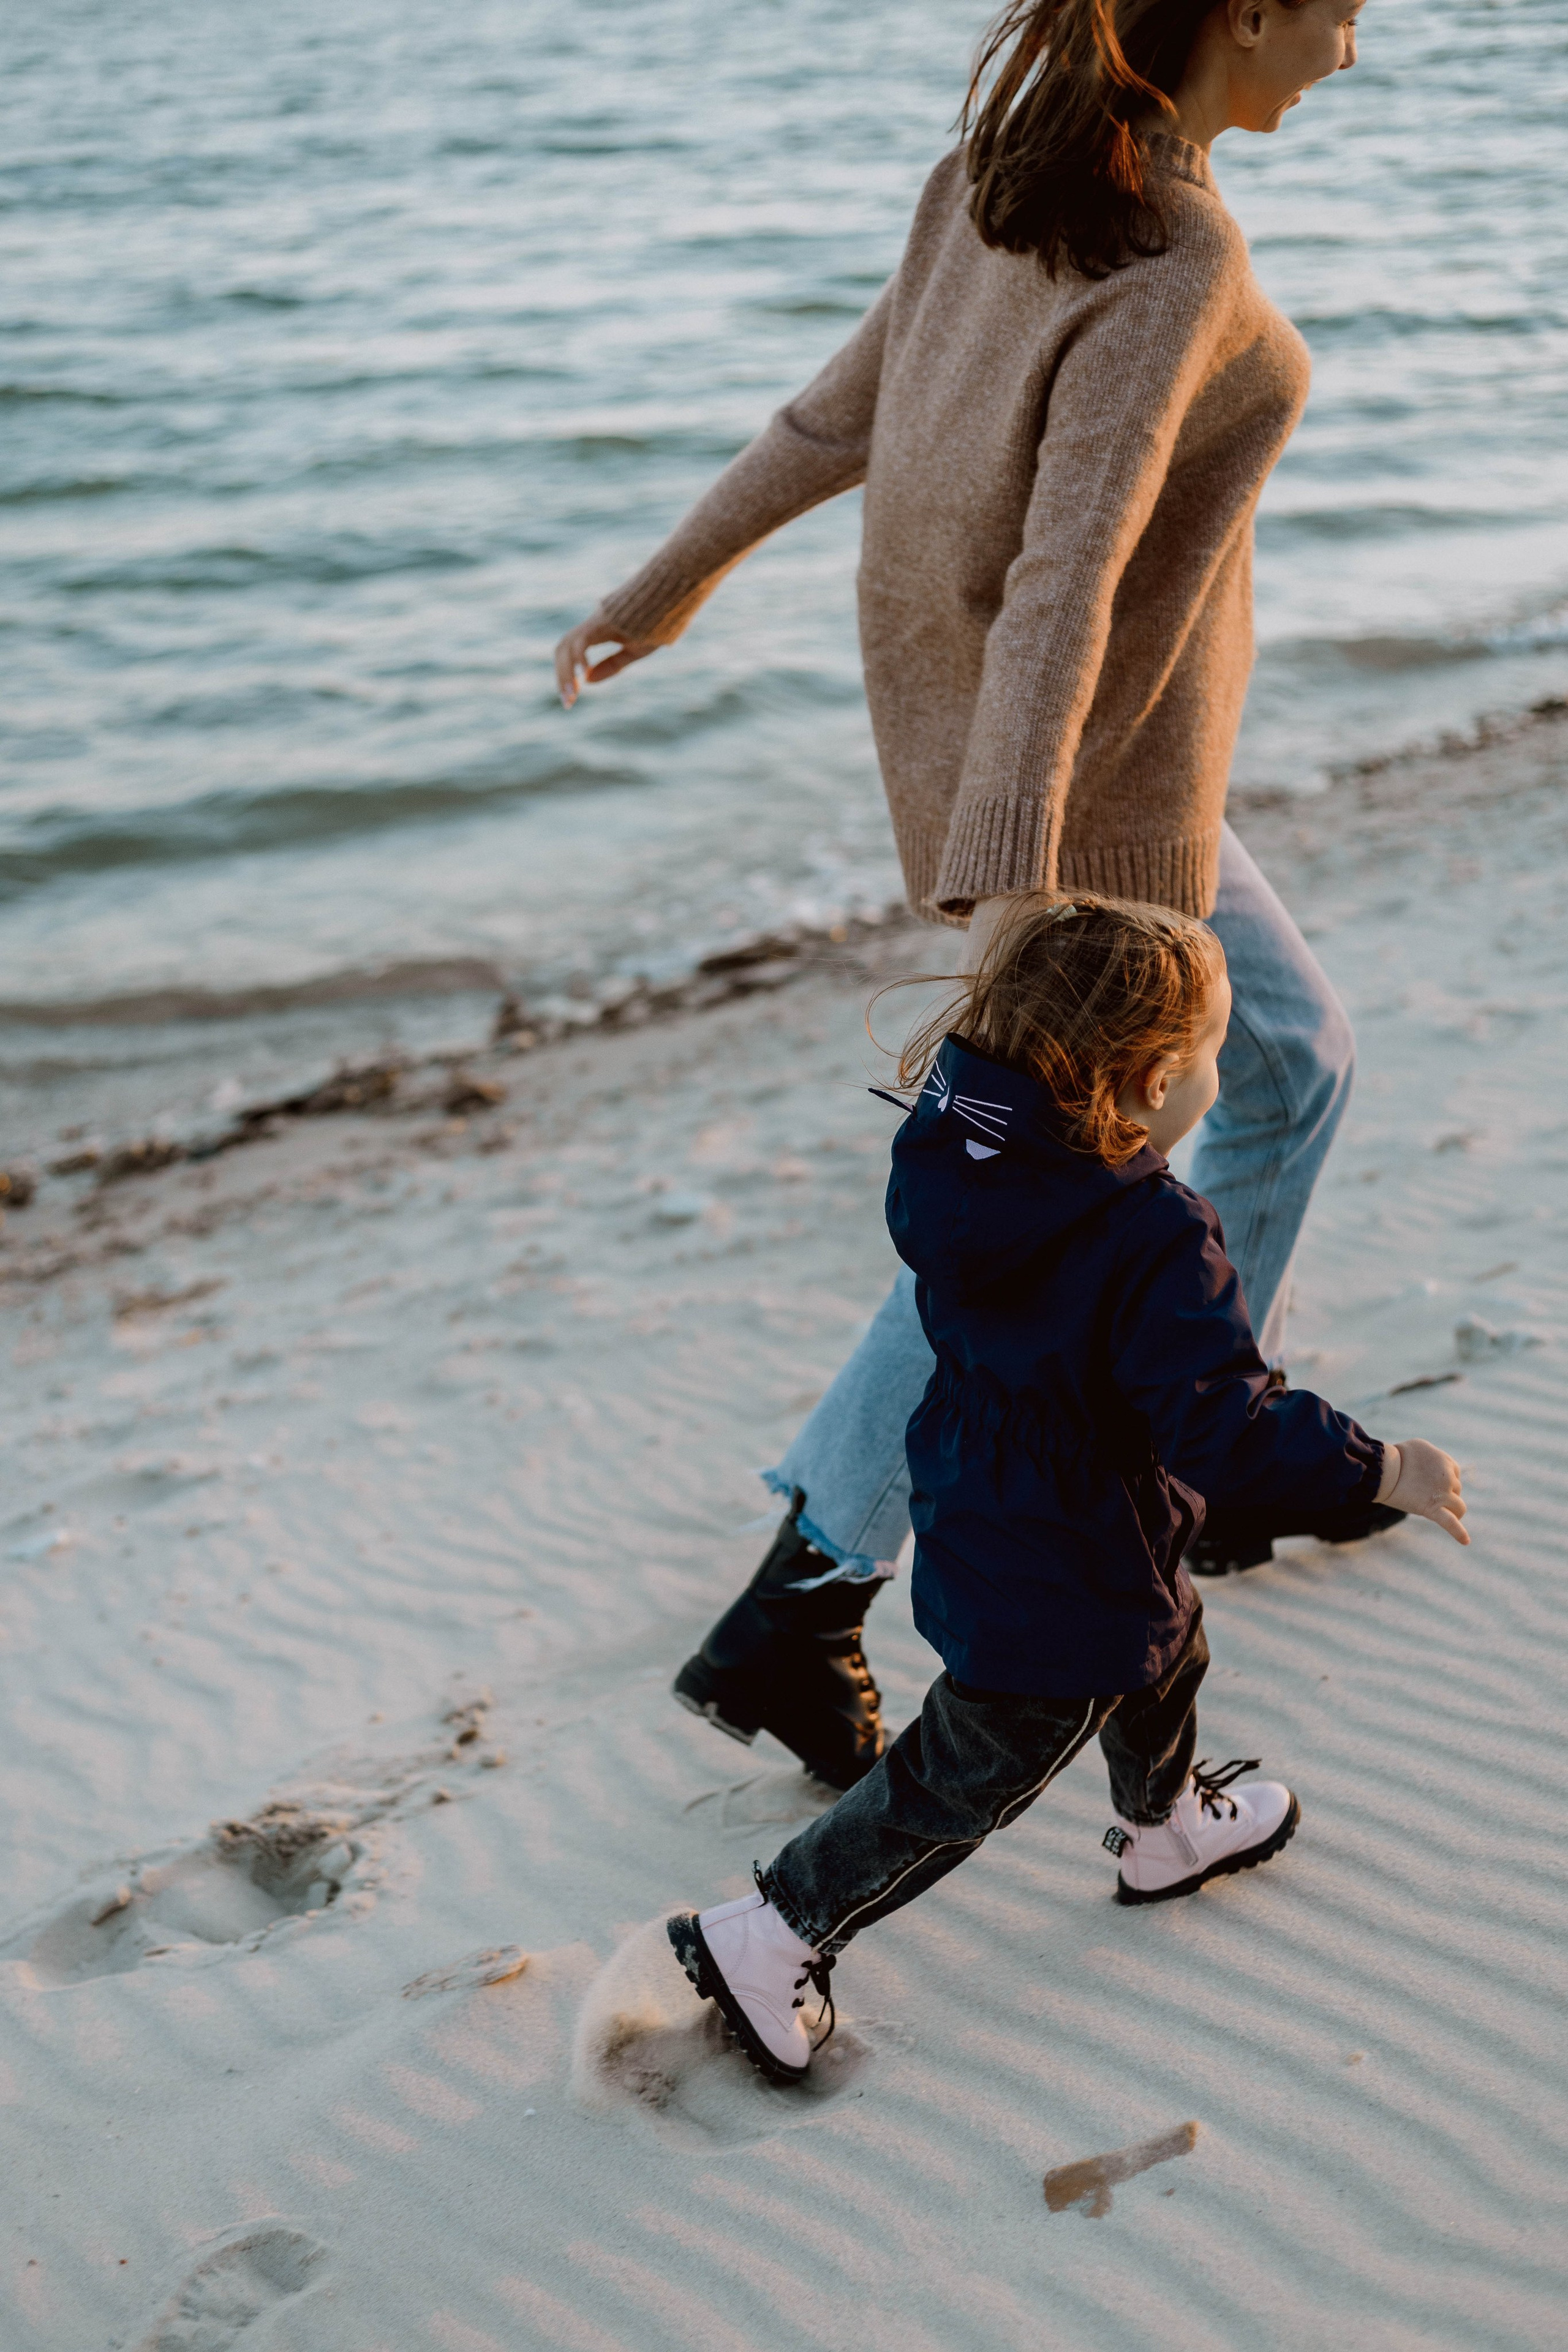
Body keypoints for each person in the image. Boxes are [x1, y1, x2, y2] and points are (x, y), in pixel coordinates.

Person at [555, 0, 1378, 1789]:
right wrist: (1016, 878)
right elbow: (1063, 579)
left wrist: (661, 586)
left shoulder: (1003, 186)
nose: (1356, 47)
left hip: (1077, 763)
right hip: (1075, 795)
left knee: (1285, 1068)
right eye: (1347, 11)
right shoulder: (1168, 252)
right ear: (1252, 13)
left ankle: (1173, 1457)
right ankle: (816, 1587)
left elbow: (826, 422)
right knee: (1047, 1202)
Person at [666, 895, 1467, 2083]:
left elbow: (972, 1077)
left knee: (1170, 1652)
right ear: (1148, 1081)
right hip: (1071, 1551)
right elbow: (1224, 1428)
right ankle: (771, 1930)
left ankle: (1163, 1827)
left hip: (987, 1493)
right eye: (1208, 1057)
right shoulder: (1153, 1233)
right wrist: (1379, 1470)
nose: (1215, 1079)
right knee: (966, 1775)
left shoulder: (966, 1145)